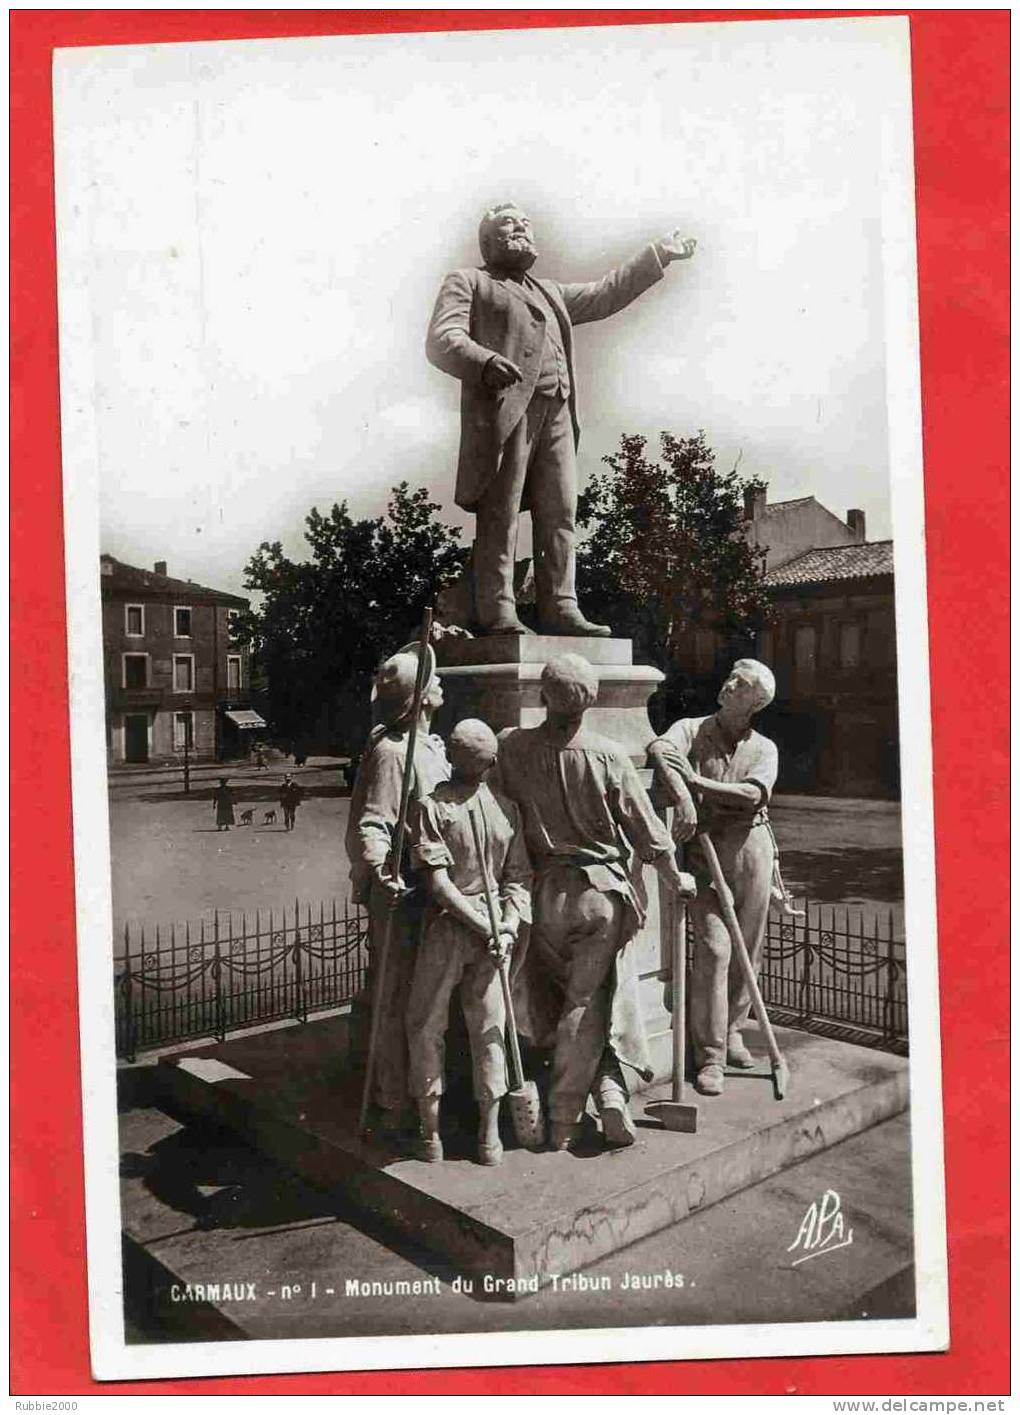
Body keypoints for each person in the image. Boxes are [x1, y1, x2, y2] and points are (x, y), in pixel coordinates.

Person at [426, 204, 697, 637]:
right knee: (502, 512)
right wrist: (484, 361)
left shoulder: (551, 292)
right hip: (506, 413)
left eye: (525, 224)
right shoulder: (470, 281)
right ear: (488, 242)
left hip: (557, 413)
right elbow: (443, 339)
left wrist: (657, 254)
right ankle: (498, 610)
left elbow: (605, 294)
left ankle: (561, 606)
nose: (521, 229)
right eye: (508, 225)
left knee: (561, 511)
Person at [495, 653, 696, 1151]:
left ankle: (605, 1092)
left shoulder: (512, 748)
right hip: (599, 898)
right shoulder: (608, 755)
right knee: (586, 1003)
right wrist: (676, 877)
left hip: (543, 897)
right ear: (595, 701)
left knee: (556, 999)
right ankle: (565, 1117)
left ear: (543, 696)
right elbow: (649, 833)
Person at [648, 659, 779, 1097]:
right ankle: (711, 1055)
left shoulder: (764, 748)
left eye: (738, 683)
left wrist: (699, 784)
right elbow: (660, 751)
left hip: (751, 850)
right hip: (706, 854)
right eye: (730, 677)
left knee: (747, 951)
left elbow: (752, 795)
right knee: (714, 950)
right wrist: (686, 798)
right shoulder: (692, 728)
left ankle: (734, 1030)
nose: (727, 684)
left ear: (753, 701)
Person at [405, 720, 532, 1166]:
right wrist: (503, 927)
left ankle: (434, 1134)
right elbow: (517, 881)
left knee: (427, 1027)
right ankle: (485, 1139)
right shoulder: (502, 807)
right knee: (487, 1030)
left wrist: (505, 926)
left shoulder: (433, 807)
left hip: (459, 928)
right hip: (482, 929)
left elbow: (442, 885)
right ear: (491, 762)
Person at [344, 640, 450, 1136]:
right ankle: (392, 1099)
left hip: (434, 891)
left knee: (422, 1001)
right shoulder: (391, 752)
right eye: (434, 677)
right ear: (423, 697)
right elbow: (372, 823)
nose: (442, 681)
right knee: (395, 998)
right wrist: (379, 871)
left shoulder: (430, 745)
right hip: (402, 891)